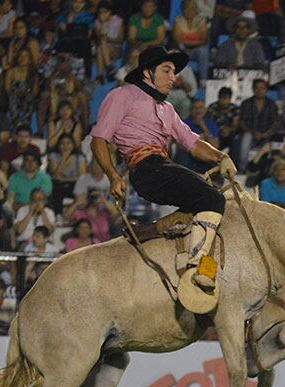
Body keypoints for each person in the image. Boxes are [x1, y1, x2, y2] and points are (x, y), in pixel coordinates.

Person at [90, 46, 237, 301]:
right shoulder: (123, 95)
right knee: (214, 199)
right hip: (148, 168)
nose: (174, 77)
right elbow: (98, 140)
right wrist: (114, 176)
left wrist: (220, 157)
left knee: (204, 205)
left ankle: (150, 231)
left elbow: (192, 142)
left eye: (174, 72)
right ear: (147, 73)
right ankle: (199, 270)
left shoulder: (167, 108)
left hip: (159, 168)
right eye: (167, 70)